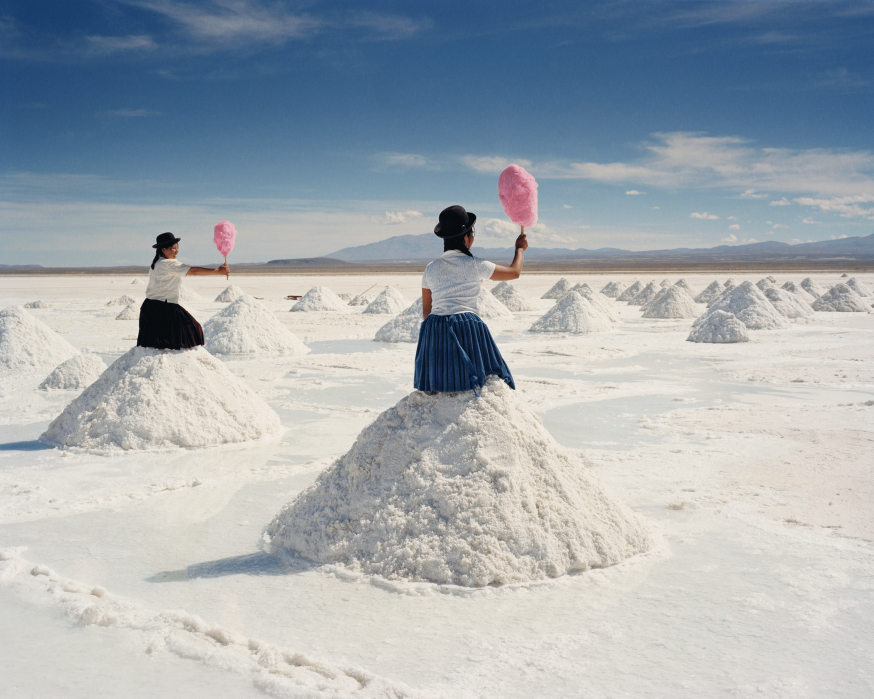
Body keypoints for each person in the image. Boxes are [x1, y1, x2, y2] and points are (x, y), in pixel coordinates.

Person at [414, 205, 528, 395]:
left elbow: (427, 311)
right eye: (472, 233)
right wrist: (519, 249)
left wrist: (437, 338)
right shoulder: (476, 264)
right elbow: (514, 272)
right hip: (466, 325)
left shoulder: (430, 268)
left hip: (434, 326)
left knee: (442, 380)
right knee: (493, 375)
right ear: (467, 237)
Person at [137, 232, 230, 350]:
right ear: (164, 250)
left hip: (151, 307)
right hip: (162, 307)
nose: (176, 251)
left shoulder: (157, 263)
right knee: (191, 330)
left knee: (158, 344)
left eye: (177, 248)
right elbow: (193, 271)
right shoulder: (167, 263)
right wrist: (217, 271)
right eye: (173, 248)